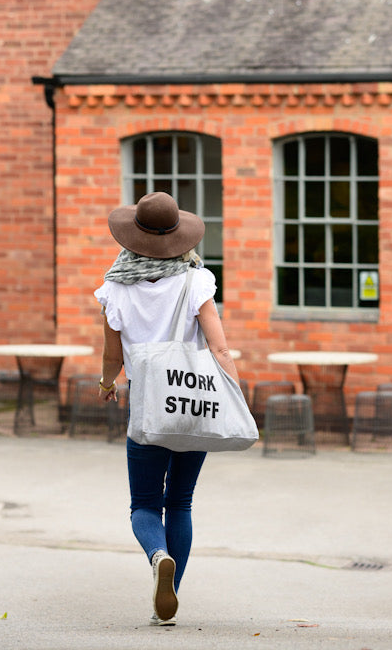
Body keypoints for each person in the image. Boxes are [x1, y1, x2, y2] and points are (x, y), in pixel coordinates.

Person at [94, 192, 240, 627]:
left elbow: (111, 355)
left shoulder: (115, 289)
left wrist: (106, 385)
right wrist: (235, 393)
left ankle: (158, 556)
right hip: (193, 400)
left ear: (131, 237)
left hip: (146, 405)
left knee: (144, 504)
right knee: (180, 501)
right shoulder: (197, 282)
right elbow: (219, 346)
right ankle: (170, 594)